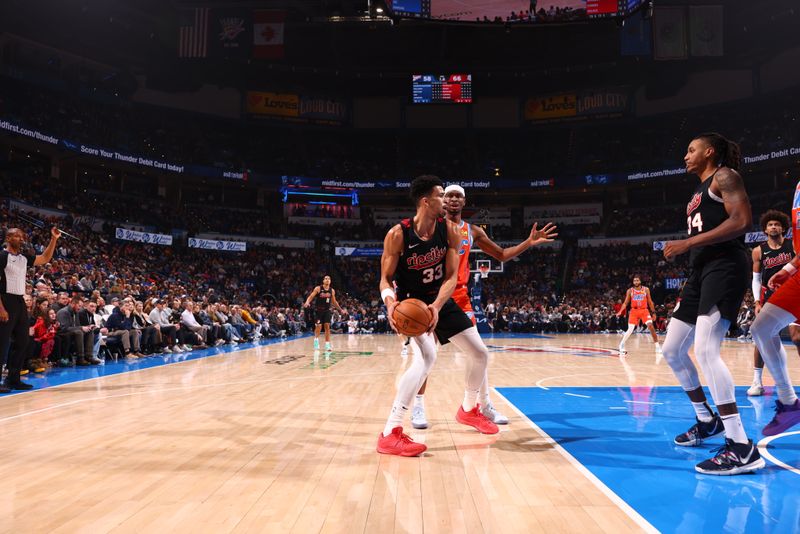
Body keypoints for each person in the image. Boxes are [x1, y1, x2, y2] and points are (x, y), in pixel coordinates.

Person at [410, 184, 558, 429]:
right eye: (449, 196)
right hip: (432, 296)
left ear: (464, 202)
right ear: (442, 201)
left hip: (460, 298)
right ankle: (418, 406)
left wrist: (528, 243)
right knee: (426, 356)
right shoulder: (430, 227)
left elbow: (500, 254)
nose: (454, 200)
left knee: (478, 354)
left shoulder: (473, 231)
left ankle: (484, 405)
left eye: (459, 196)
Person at [661, 132, 763, 475]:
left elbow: (742, 222)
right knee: (672, 350)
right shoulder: (698, 191)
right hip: (701, 271)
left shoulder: (725, 176)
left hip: (725, 265)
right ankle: (707, 419)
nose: (685, 156)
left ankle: (740, 446)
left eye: (691, 150)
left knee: (705, 350)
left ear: (709, 151)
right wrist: (692, 251)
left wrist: (688, 244)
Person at [376, 175, 499, 457]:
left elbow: (452, 277)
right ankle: (390, 431)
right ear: (425, 201)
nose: (445, 200)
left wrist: (436, 307)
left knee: (480, 353)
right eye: (440, 195)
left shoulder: (451, 231)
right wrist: (391, 303)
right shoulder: (398, 234)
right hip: (411, 303)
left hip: (439, 300)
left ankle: (469, 409)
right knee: (427, 357)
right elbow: (385, 279)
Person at [749, 179, 800, 436]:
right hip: (796, 277)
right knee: (761, 329)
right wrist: (788, 269)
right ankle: (789, 401)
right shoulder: (798, 189)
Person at [0, 226, 60, 391]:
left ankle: (13, 379)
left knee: (23, 341)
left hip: (19, 301)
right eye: (17, 236)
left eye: (21, 235)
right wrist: (1, 308)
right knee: (2, 343)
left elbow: (45, 258)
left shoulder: (23, 257)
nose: (21, 238)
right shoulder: (2, 256)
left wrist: (53, 239)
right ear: (8, 238)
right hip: (5, 300)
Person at [615, 275, 661, 355]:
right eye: (634, 281)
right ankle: (621, 344)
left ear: (640, 281)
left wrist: (653, 312)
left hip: (644, 310)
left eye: (637, 280)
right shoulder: (630, 291)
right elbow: (626, 303)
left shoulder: (646, 289)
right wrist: (620, 311)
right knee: (630, 329)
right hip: (634, 311)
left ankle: (657, 347)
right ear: (633, 282)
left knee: (651, 326)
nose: (636, 282)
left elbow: (650, 302)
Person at [303, 275, 343, 351]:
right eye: (326, 279)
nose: (327, 280)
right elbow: (311, 296)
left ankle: (327, 345)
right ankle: (316, 341)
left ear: (330, 281)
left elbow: (334, 302)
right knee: (318, 326)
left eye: (329, 279)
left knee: (327, 326)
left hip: (327, 310)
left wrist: (340, 309)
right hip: (318, 311)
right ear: (323, 281)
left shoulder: (332, 290)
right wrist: (307, 302)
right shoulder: (318, 288)